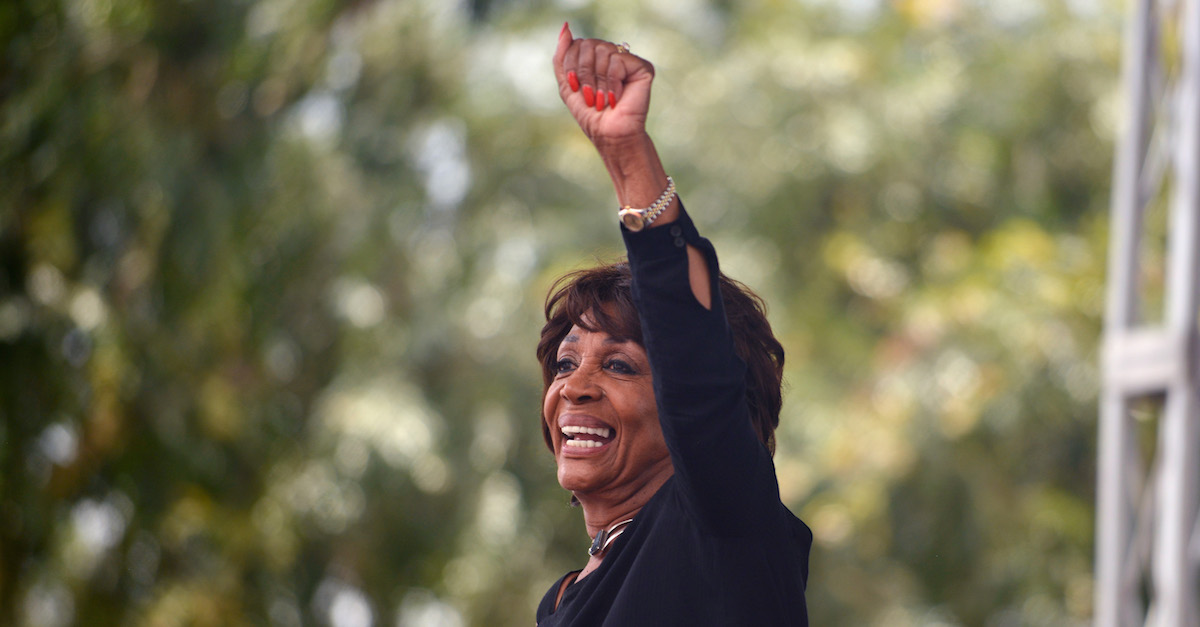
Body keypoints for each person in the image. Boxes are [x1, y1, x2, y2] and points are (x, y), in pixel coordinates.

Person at [533, 23, 812, 626]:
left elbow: (695, 368)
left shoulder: (724, 528)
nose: (572, 388)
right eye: (565, 362)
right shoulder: (559, 602)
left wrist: (628, 154)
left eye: (619, 363)